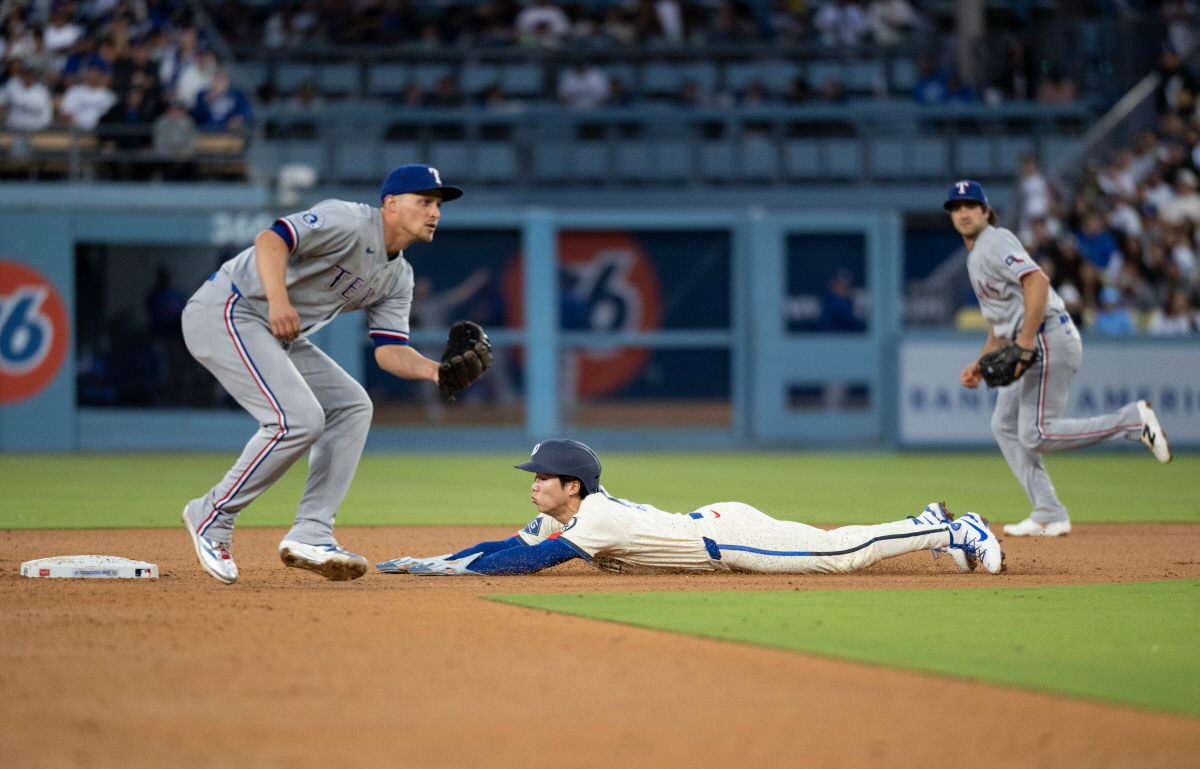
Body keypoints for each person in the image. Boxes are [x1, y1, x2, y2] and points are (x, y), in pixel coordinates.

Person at [180, 164, 483, 585]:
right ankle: (212, 515)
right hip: (229, 308)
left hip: (273, 330)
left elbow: (390, 350)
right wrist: (278, 300)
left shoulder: (399, 276)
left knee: (353, 405)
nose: (434, 212)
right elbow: (272, 238)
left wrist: (436, 373)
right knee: (298, 419)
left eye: (438, 205)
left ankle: (311, 533)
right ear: (391, 204)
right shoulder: (350, 220)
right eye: (425, 201)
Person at [377, 439, 1004, 577]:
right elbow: (502, 547)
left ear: (572, 485)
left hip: (724, 540)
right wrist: (433, 559)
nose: (532, 485)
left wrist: (450, 572)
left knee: (835, 555)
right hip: (714, 521)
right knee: (831, 542)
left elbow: (523, 565)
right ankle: (928, 525)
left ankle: (946, 529)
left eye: (541, 478)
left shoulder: (592, 519)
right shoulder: (562, 514)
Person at [948, 180, 1172, 539]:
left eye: (970, 206)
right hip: (1030, 339)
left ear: (986, 211)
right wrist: (980, 362)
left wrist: (1023, 342)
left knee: (1035, 433)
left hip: (1046, 335)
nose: (963, 212)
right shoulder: (976, 258)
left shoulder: (995, 239)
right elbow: (998, 326)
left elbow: (1036, 281)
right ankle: (1049, 511)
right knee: (1004, 425)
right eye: (956, 207)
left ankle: (1131, 421)